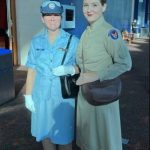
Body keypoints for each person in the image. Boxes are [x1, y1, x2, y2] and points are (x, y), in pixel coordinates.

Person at [75, 0, 132, 150]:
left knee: (103, 140)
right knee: (89, 139)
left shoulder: (110, 32)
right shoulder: (86, 32)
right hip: (85, 94)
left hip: (102, 94)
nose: (89, 9)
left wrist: (97, 75)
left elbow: (125, 63)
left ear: (104, 7)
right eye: (85, 5)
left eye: (94, 5)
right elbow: (83, 63)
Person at [24, 1, 79, 150]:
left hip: (63, 98)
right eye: (48, 15)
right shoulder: (36, 42)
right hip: (40, 96)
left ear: (61, 18)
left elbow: (81, 67)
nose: (52, 18)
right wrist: (28, 96)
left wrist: (70, 69)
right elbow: (32, 69)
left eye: (56, 15)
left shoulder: (73, 41)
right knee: (45, 134)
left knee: (65, 137)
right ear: (42, 19)